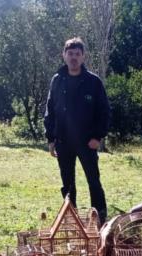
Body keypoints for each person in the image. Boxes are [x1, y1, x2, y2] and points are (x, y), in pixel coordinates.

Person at [44, 38, 110, 224]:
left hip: (87, 141)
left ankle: (100, 218)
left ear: (83, 57)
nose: (73, 57)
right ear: (64, 55)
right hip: (63, 141)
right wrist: (51, 138)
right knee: (68, 183)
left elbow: (104, 111)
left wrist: (98, 136)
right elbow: (50, 110)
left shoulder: (93, 82)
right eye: (70, 53)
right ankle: (70, 218)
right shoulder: (57, 81)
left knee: (93, 181)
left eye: (77, 54)